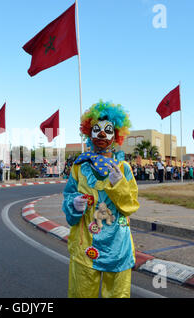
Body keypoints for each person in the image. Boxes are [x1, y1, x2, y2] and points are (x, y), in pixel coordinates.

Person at [62, 100, 138, 298]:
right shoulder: (80, 167)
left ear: (116, 135)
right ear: (89, 133)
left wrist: (118, 185)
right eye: (96, 129)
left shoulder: (124, 168)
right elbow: (68, 194)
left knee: (117, 294)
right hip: (85, 242)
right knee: (81, 293)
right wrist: (73, 203)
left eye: (107, 130)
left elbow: (130, 205)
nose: (102, 134)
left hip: (117, 244)